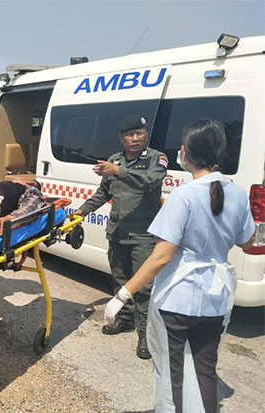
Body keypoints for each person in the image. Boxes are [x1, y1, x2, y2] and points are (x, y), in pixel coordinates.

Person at [104, 119, 256, 413]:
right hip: (216, 299)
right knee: (205, 373)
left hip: (179, 298)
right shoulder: (236, 193)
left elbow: (161, 256)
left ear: (184, 152)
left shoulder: (184, 195)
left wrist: (123, 294)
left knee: (173, 374)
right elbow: (247, 242)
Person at [73, 114, 168, 359]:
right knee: (120, 280)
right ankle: (124, 320)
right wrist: (81, 212)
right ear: (121, 138)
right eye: (130, 134)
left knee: (145, 288)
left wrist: (118, 170)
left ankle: (146, 334)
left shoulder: (156, 159)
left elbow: (150, 182)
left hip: (143, 236)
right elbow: (102, 194)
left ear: (146, 135)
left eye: (140, 133)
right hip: (117, 233)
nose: (135, 138)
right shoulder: (114, 161)